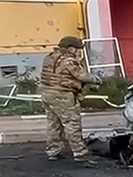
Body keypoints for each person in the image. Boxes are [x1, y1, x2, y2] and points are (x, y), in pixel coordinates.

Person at [39, 36, 95, 165]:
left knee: (53, 123)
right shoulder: (69, 60)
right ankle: (80, 153)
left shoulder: (49, 57)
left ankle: (53, 151)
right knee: (72, 123)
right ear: (71, 48)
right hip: (62, 94)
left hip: (47, 92)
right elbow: (83, 76)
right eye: (77, 49)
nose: (78, 52)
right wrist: (96, 79)